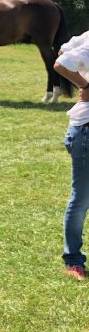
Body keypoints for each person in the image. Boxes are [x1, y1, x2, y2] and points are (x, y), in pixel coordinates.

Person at [54, 31, 89, 280]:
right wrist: (86, 85)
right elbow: (61, 63)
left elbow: (63, 50)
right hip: (86, 130)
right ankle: (73, 260)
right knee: (82, 199)